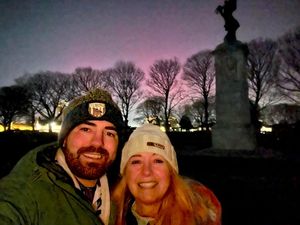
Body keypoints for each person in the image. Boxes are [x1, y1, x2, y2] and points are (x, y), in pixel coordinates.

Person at [0, 88, 125, 225]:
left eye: (109, 133)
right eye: (86, 129)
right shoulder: (26, 191)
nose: (97, 142)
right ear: (64, 139)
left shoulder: (119, 191)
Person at [112, 124, 222, 225]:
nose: (146, 172)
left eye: (157, 161)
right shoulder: (108, 217)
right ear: (125, 173)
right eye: (136, 161)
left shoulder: (200, 218)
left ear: (171, 171)